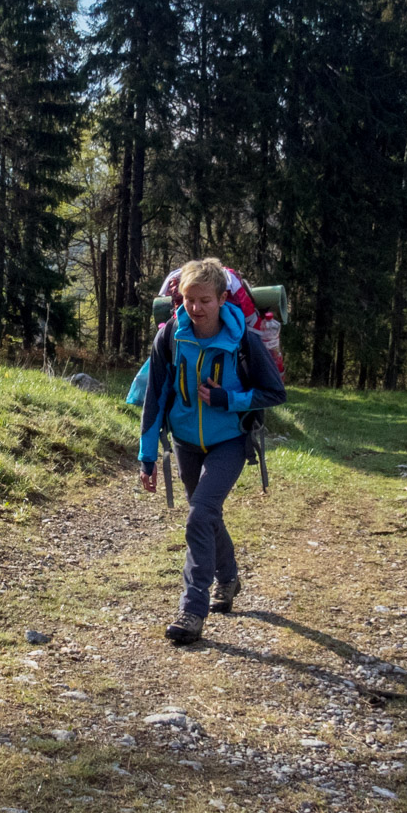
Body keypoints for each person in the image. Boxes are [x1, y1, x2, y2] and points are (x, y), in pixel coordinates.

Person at [137, 257, 288, 645]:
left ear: (223, 299)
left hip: (229, 442)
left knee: (200, 513)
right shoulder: (171, 335)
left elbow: (274, 392)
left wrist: (228, 399)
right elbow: (155, 397)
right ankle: (229, 579)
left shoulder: (244, 341)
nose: (196, 308)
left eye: (204, 300)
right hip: (186, 442)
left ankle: (192, 610)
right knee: (207, 515)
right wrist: (147, 455)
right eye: (189, 299)